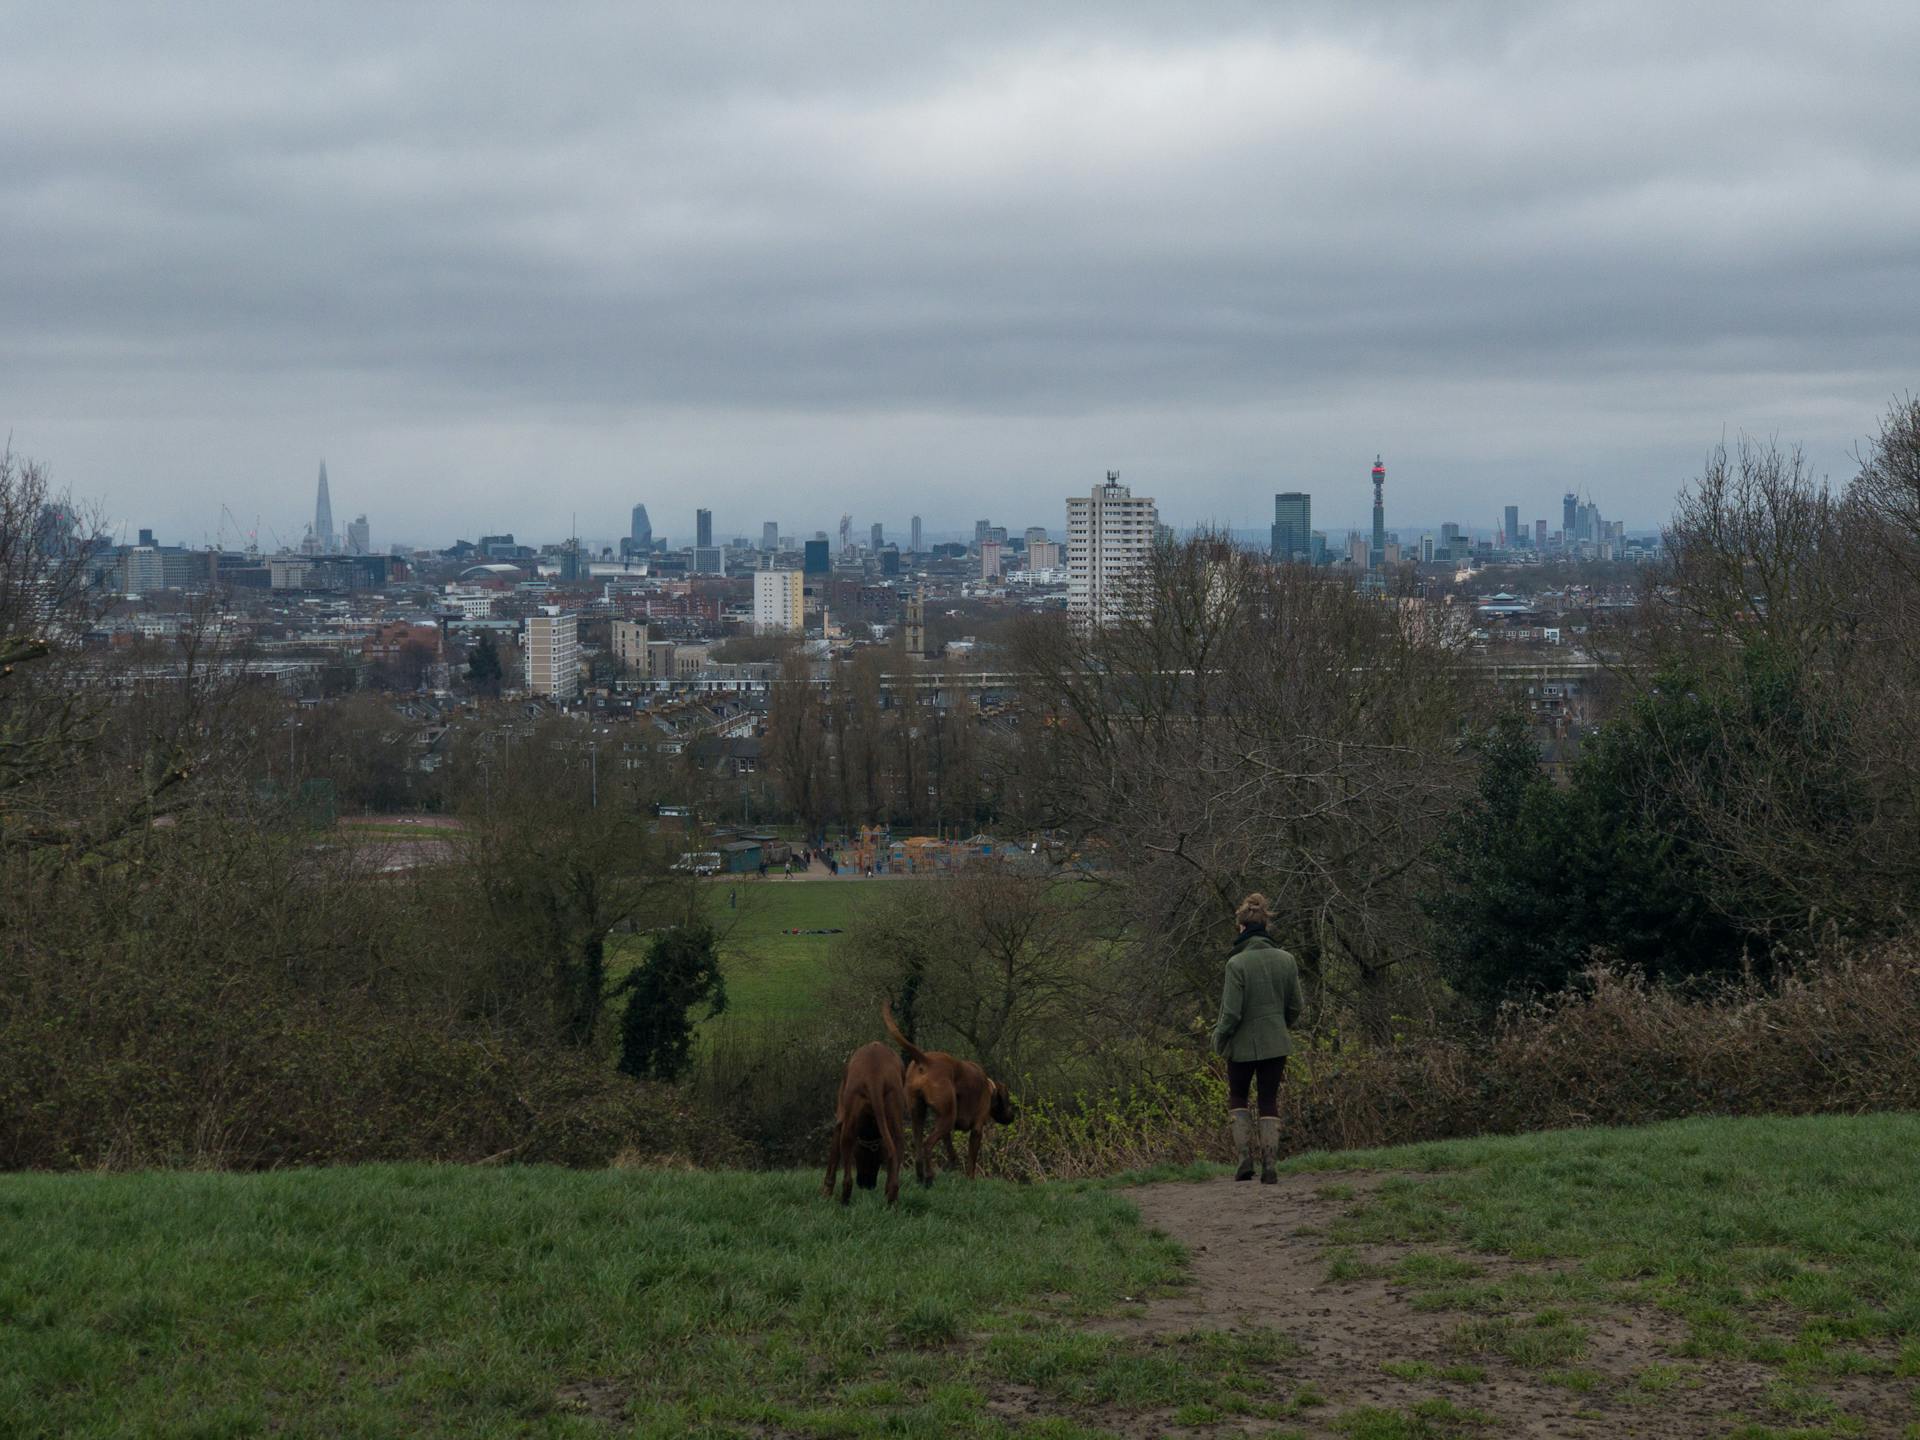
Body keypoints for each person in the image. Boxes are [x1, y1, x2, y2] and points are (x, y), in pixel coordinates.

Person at [1211, 892, 1304, 1184]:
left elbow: (1231, 1014)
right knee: (1269, 1099)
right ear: (1266, 926)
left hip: (1241, 1045)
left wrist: (1219, 1040)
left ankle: (1243, 1160)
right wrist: (1280, 1025)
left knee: (1238, 1096)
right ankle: (1270, 1165)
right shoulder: (1287, 960)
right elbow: (1295, 1006)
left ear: (1241, 927)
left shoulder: (1236, 964)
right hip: (1276, 1042)